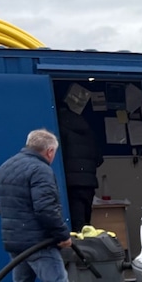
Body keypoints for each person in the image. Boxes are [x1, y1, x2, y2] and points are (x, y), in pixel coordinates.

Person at [0, 128, 89, 282]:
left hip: (15, 239)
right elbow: (46, 209)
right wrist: (63, 236)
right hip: (38, 242)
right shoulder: (40, 170)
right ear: (49, 152)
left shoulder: (5, 166)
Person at [56, 95, 102, 228]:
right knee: (86, 225)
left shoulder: (58, 128)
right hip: (89, 182)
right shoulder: (86, 127)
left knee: (74, 224)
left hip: (71, 183)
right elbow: (99, 158)